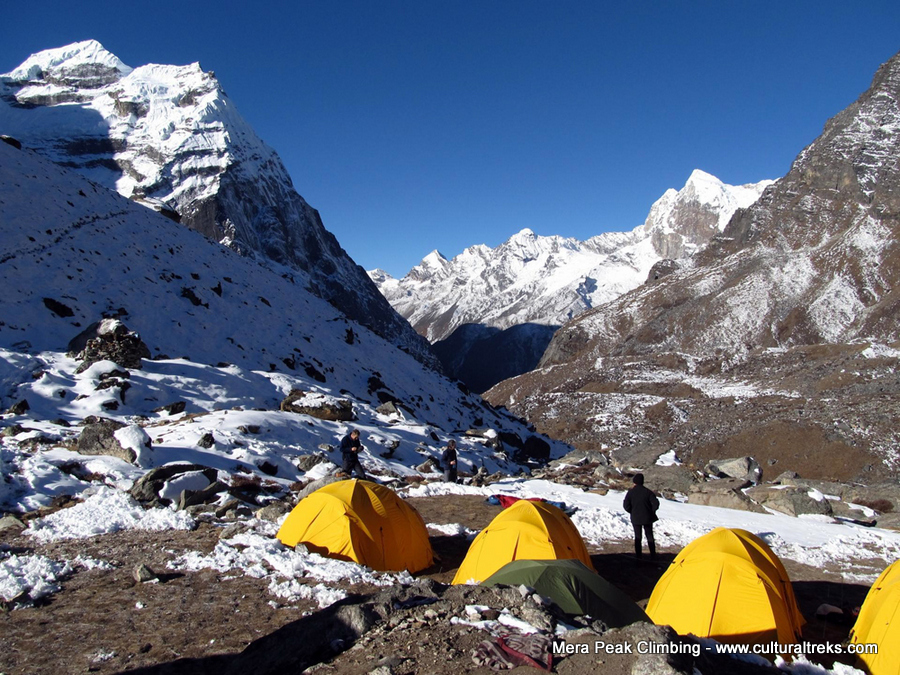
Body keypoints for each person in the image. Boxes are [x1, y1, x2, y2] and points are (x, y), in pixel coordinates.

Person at [623, 473, 659, 560]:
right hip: (647, 518)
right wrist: (651, 511)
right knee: (649, 536)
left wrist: (632, 511)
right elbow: (656, 504)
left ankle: (638, 557)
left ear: (634, 482)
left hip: (636, 518)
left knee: (638, 537)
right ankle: (653, 556)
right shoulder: (648, 492)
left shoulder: (631, 492)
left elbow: (626, 505)